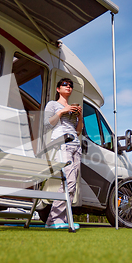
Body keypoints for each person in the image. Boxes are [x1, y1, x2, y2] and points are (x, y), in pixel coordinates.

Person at [43, 78, 83, 229]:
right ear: (58, 89)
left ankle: (60, 220)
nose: (69, 87)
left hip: (75, 145)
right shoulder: (52, 105)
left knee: (71, 184)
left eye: (71, 85)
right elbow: (47, 124)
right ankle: (54, 220)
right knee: (69, 181)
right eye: (65, 85)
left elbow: (78, 130)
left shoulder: (72, 107)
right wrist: (61, 111)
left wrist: (79, 116)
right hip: (61, 143)